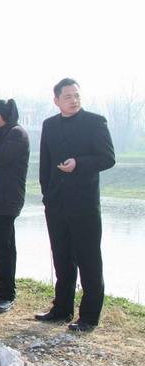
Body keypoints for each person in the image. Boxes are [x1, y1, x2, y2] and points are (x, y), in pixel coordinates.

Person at [36, 78, 115, 332]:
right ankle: (61, 309)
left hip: (84, 205)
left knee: (89, 259)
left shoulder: (95, 122)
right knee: (61, 257)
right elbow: (45, 164)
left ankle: (89, 317)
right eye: (68, 96)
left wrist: (79, 163)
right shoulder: (49, 125)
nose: (74, 100)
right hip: (56, 203)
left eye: (77, 95)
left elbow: (107, 158)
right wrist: (47, 194)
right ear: (56, 100)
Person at [0, 99, 30, 313]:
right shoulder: (4, 133)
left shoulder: (17, 134)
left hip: (8, 198)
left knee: (5, 246)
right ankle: (2, 291)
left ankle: (8, 295)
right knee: (0, 245)